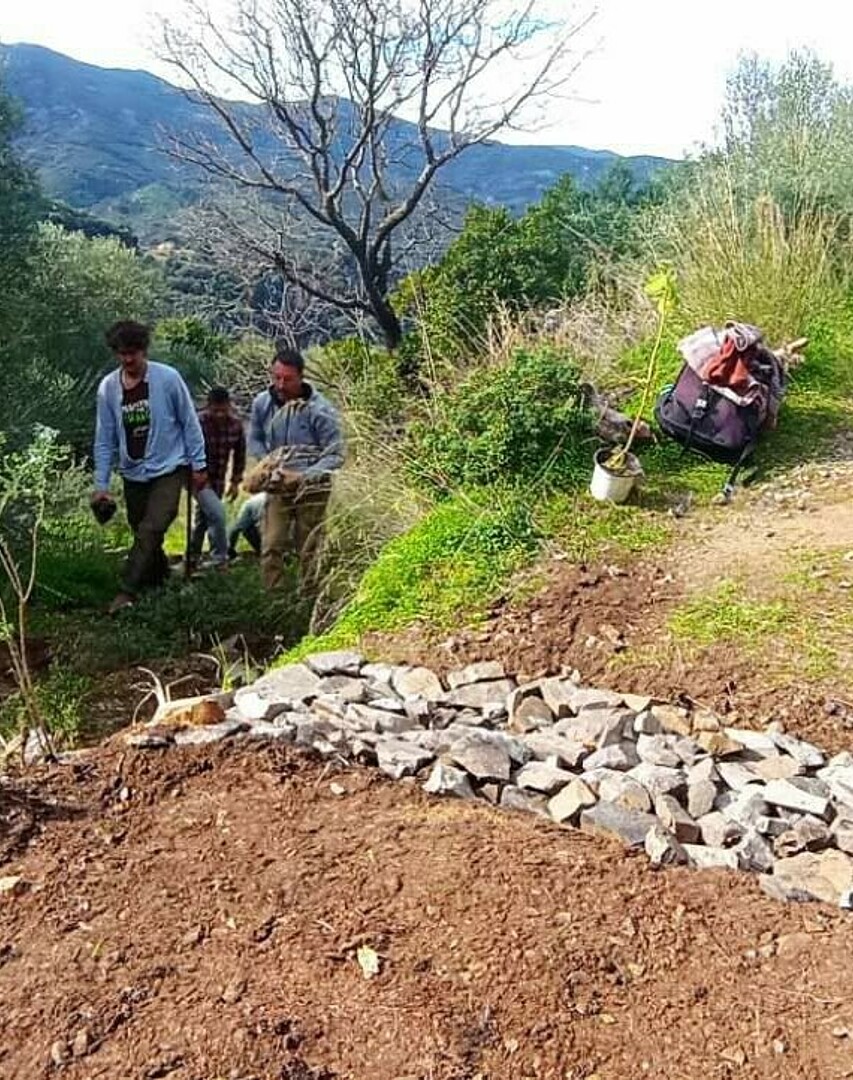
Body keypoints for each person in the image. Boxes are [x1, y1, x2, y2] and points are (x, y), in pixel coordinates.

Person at [91, 320, 207, 614]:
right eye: (122, 354)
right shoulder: (108, 388)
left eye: (133, 352)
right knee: (142, 531)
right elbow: (104, 439)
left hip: (169, 466)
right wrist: (101, 486)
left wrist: (199, 464)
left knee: (154, 526)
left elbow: (189, 422)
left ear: (144, 350)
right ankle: (160, 582)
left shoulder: (168, 379)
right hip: (133, 471)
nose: (128, 359)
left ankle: (127, 590)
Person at [248, 347, 344, 594]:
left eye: (287, 379)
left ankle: (309, 596)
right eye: (276, 377)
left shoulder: (321, 410)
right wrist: (266, 463)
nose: (280, 384)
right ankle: (274, 597)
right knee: (271, 543)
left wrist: (304, 476)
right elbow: (255, 438)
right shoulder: (262, 403)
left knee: (309, 546)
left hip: (312, 486)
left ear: (301, 377)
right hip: (276, 484)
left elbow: (335, 454)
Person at [190, 386, 246, 569]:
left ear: (229, 406)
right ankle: (219, 559)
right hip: (198, 478)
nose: (220, 414)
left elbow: (240, 456)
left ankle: (191, 558)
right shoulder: (198, 423)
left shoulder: (236, 426)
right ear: (208, 407)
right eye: (216, 411)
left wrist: (235, 482)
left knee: (203, 519)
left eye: (224, 410)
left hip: (219, 479)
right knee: (217, 514)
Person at [228, 492, 267, 559]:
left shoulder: (251, 502)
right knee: (245, 527)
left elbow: (235, 529)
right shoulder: (252, 503)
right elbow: (236, 528)